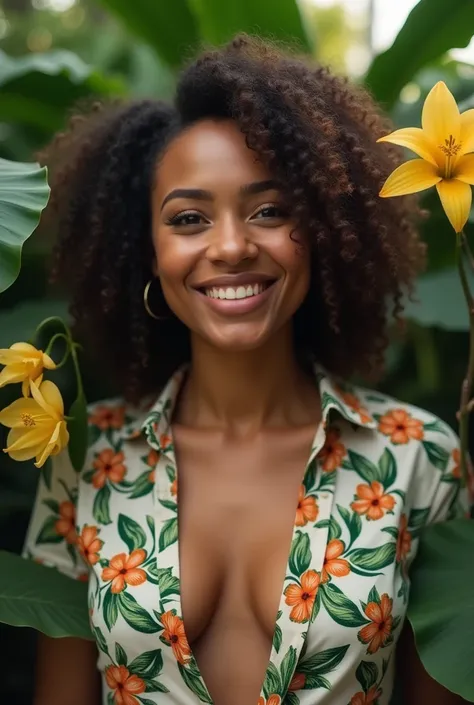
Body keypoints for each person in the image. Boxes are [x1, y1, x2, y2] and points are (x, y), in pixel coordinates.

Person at [22, 35, 465, 705]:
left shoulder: (418, 458)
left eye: (269, 210)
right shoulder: (83, 461)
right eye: (190, 218)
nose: (231, 246)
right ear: (147, 250)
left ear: (318, 228)